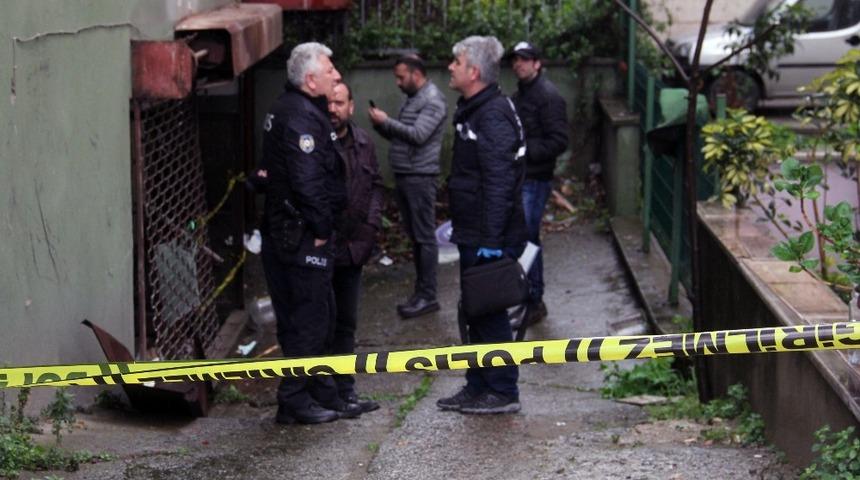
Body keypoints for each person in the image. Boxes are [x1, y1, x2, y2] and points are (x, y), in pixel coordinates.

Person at [257, 42, 362, 425]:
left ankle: (324, 393)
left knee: (320, 316)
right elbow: (306, 180)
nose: (337, 75)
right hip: (301, 237)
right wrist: (320, 228)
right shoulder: (300, 116)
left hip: (292, 234)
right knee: (310, 320)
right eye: (330, 69)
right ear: (311, 78)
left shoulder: (298, 109)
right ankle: (294, 400)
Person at [436, 36, 527, 415]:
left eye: (456, 62)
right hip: (474, 231)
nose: (450, 67)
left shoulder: (491, 115)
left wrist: (491, 240)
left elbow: (500, 182)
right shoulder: (475, 109)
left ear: (473, 71)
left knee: (489, 312)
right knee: (473, 309)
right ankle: (477, 385)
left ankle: (503, 390)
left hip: (489, 235)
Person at [368, 55, 448, 319]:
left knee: (425, 238)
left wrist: (386, 121)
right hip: (407, 175)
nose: (398, 82)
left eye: (401, 77)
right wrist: (381, 126)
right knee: (416, 238)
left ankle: (428, 296)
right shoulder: (412, 98)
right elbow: (401, 137)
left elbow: (418, 136)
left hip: (420, 178)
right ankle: (421, 292)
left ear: (416, 74)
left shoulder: (433, 100)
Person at [328, 82, 384, 414]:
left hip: (353, 249)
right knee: (321, 323)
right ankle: (322, 391)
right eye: (328, 103)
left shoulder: (364, 142)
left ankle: (345, 390)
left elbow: (375, 186)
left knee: (346, 322)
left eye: (339, 103)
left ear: (351, 106)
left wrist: (370, 228)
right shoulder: (316, 143)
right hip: (323, 249)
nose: (333, 109)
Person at [509, 41, 569, 327]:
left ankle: (534, 298)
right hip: (521, 177)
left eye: (524, 59)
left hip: (536, 178)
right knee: (523, 238)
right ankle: (527, 297)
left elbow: (559, 140)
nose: (518, 64)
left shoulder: (548, 97)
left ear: (537, 63)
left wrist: (525, 150)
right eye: (515, 60)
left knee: (528, 238)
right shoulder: (518, 96)